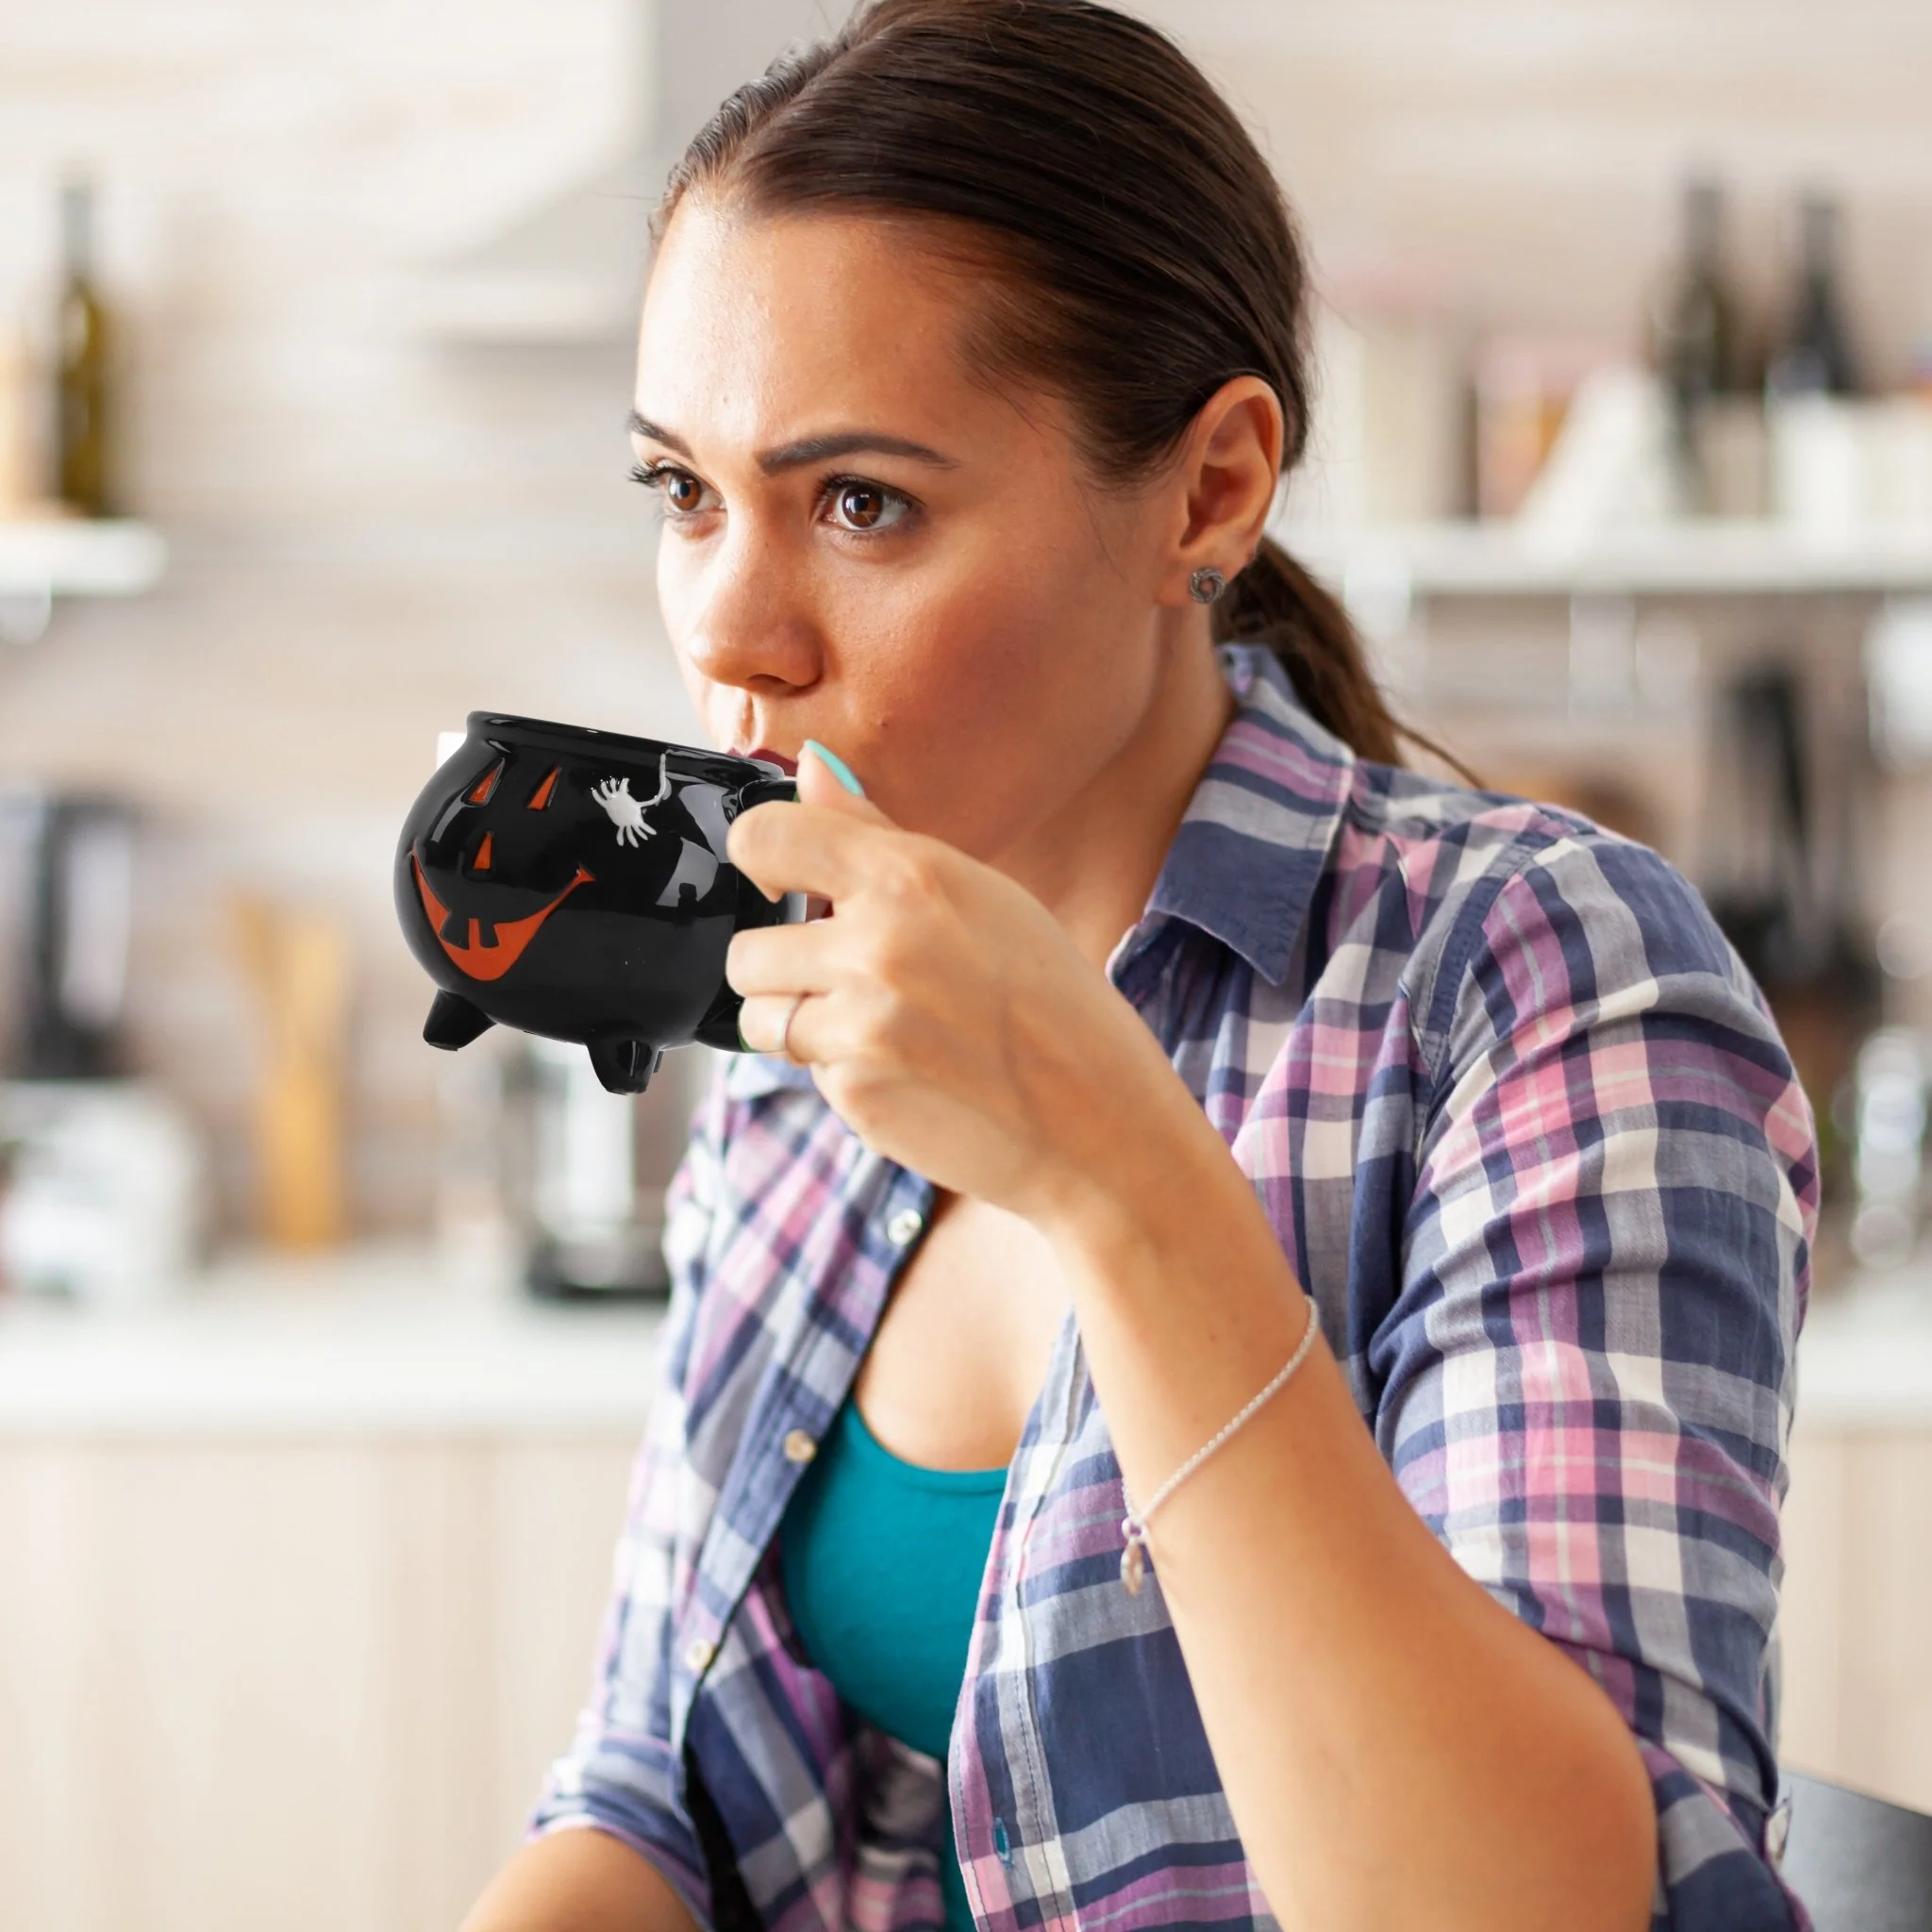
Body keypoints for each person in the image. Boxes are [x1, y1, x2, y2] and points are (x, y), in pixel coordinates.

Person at [462, 4, 1814, 1927]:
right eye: (684, 491)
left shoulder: (1537, 984)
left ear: (1209, 488)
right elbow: (654, 1794)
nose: (733, 632)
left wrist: (1112, 1166)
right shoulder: (796, 1017)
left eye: (862, 503)